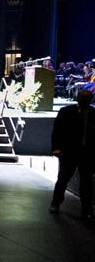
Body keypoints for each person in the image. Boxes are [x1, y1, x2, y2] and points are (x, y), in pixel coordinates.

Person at [49, 89, 95, 218]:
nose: (85, 101)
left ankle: (87, 209)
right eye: (83, 99)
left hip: (87, 153)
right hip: (69, 152)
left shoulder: (93, 113)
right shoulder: (66, 112)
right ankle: (55, 203)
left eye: (87, 99)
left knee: (87, 182)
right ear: (78, 99)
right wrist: (56, 148)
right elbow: (57, 131)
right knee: (63, 179)